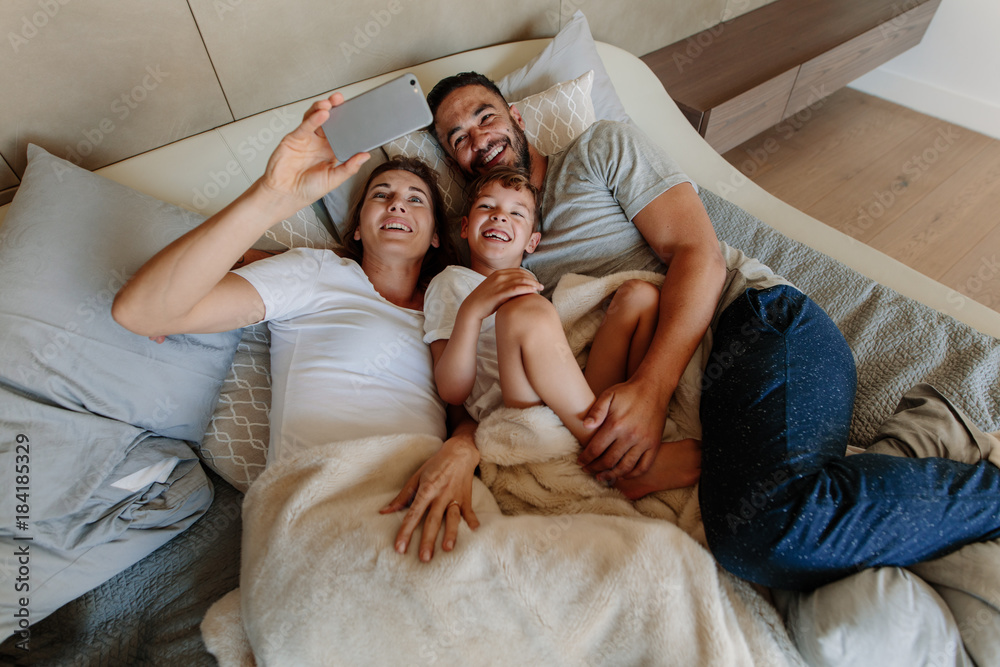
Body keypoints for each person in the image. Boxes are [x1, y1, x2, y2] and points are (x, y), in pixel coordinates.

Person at [426, 71, 1000, 589]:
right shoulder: (491, 257)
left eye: (485, 116)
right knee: (762, 521)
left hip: (756, 324)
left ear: (517, 118)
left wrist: (650, 390)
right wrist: (459, 446)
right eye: (458, 138)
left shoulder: (600, 149)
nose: (478, 138)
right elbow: (484, 371)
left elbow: (699, 253)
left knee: (762, 536)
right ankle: (931, 446)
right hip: (692, 395)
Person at [113, 95, 482, 563]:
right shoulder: (316, 273)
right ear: (356, 229)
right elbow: (141, 310)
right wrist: (272, 194)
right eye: (381, 194)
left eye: (416, 200)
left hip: (431, 500)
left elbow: (463, 407)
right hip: (322, 511)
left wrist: (462, 451)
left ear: (434, 235)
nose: (397, 205)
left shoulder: (446, 304)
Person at [424, 166, 701, 499]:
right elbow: (451, 392)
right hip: (519, 410)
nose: (499, 217)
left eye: (516, 213)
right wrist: (472, 311)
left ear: (532, 242)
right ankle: (615, 461)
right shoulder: (449, 282)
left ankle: (629, 431)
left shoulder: (534, 286)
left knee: (640, 296)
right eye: (487, 207)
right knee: (523, 312)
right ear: (465, 228)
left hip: (570, 398)